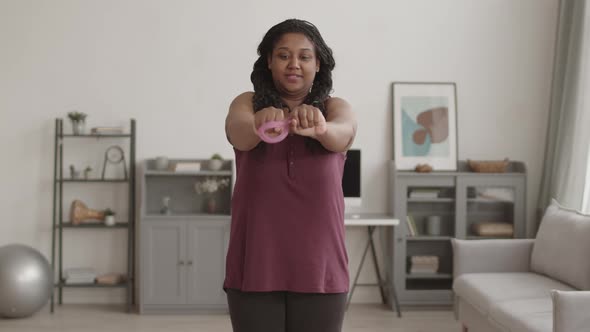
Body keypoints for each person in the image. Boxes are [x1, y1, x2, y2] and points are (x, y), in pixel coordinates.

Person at [223, 18, 357, 332]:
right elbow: (239, 134)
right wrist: (260, 122)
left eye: (304, 56)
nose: (293, 64)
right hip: (254, 265)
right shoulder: (247, 103)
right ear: (269, 61)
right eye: (283, 55)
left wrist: (321, 127)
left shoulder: (336, 108)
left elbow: (343, 134)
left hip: (321, 268)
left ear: (318, 63)